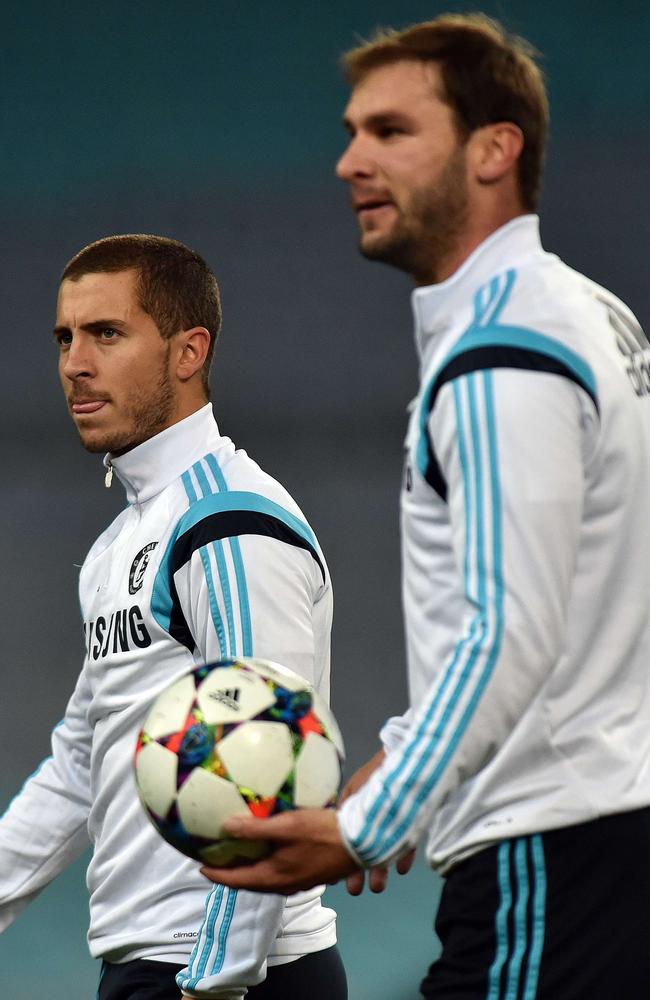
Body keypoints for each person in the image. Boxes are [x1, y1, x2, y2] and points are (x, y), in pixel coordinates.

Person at [200, 14, 650, 999]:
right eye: (352, 131)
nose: (347, 161)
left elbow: (507, 632)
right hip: (597, 840)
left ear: (494, 149)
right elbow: (569, 594)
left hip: (544, 859)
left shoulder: (498, 355)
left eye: (390, 132)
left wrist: (368, 821)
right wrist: (405, 758)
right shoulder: (589, 316)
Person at [0, 235, 347, 1000]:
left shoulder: (224, 523)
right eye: (64, 337)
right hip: (152, 968)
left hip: (232, 977)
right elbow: (80, 764)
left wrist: (212, 982)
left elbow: (269, 768)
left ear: (190, 351)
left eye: (107, 334)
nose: (74, 363)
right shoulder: (120, 542)